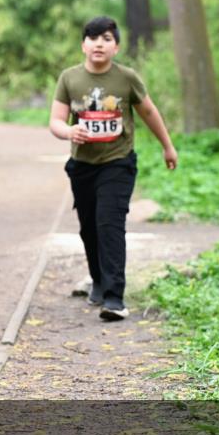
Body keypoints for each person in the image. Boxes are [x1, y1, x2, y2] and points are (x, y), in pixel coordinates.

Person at [49, 16, 178, 321]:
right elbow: (56, 120)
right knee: (89, 228)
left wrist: (167, 145)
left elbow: (148, 111)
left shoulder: (126, 78)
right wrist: (69, 132)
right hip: (82, 165)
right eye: (93, 38)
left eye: (106, 38)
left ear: (116, 47)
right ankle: (98, 281)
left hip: (118, 163)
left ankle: (114, 298)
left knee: (109, 223)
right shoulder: (69, 78)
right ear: (84, 45)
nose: (99, 44)